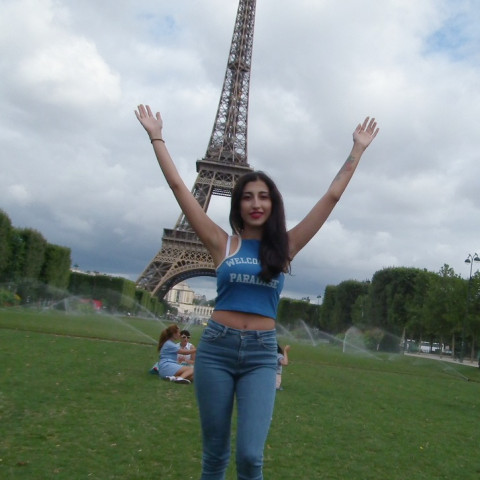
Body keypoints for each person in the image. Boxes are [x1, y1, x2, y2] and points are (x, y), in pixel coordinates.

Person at [135, 104, 379, 479]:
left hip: (261, 355)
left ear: (273, 204)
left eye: (263, 196)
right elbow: (179, 188)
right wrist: (157, 137)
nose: (255, 203)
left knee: (250, 457)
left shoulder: (285, 247)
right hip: (216, 349)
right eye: (248, 196)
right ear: (238, 204)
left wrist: (357, 150)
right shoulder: (222, 243)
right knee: (215, 455)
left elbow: (330, 197)